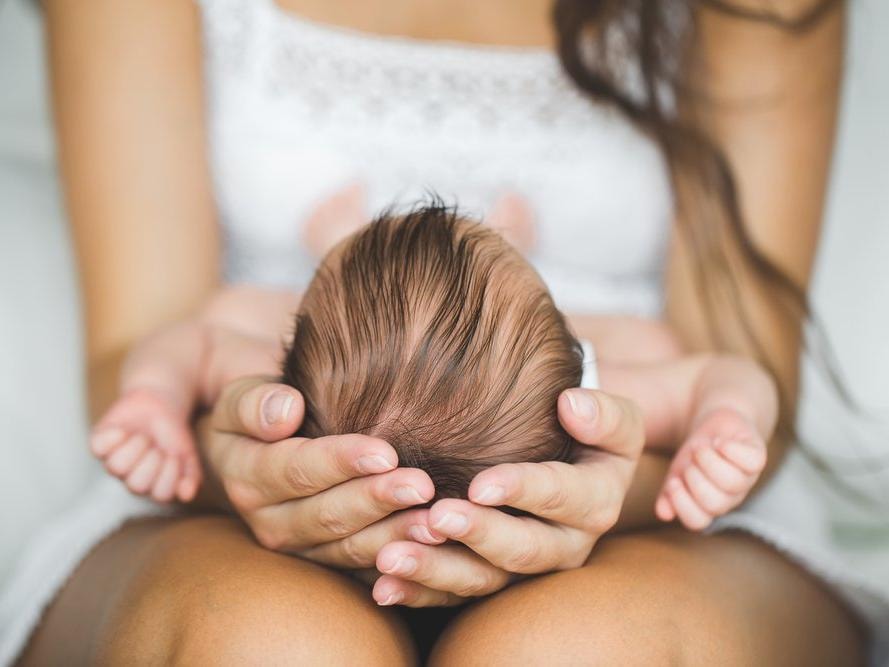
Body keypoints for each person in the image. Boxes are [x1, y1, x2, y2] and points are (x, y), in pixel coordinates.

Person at [7, 0, 883, 664]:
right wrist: (209, 449)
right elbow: (719, 384)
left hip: (641, 512)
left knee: (567, 652)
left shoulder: (255, 335)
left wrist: (652, 481)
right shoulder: (612, 366)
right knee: (263, 642)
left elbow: (738, 380)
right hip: (231, 501)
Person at [91, 206, 774, 528]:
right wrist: (725, 421)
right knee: (655, 343)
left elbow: (193, 342)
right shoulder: (585, 395)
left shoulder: (282, 385)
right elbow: (723, 371)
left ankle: (332, 241)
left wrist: (154, 397)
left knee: (230, 304)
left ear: (290, 344)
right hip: (566, 343)